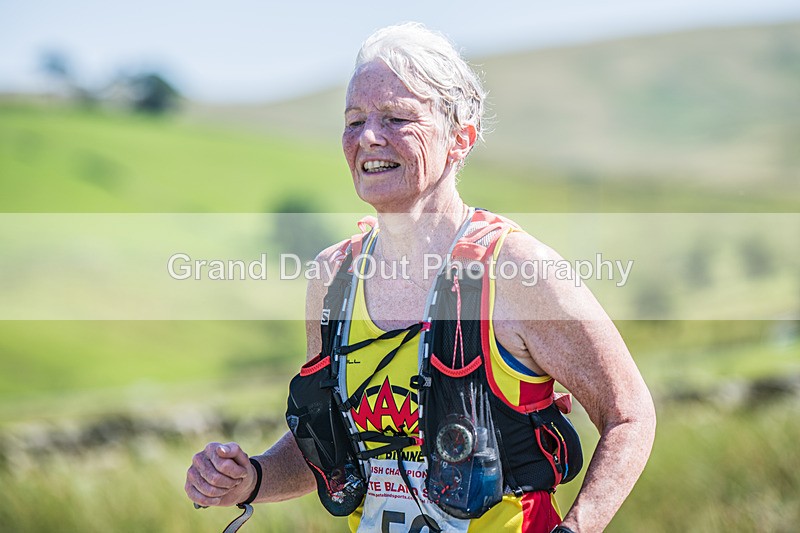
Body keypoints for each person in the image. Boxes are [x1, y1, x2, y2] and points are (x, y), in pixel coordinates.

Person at [185, 22, 656, 533]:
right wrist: (250, 478)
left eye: (396, 117)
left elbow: (629, 414)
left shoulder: (516, 270)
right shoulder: (333, 277)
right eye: (354, 119)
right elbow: (331, 444)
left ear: (460, 138)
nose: (368, 136)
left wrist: (577, 528)